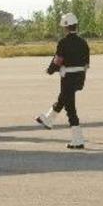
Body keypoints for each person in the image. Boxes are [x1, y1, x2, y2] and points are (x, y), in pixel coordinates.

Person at [35, 13, 91, 149]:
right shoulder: (83, 42)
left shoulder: (63, 42)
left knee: (70, 108)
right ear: (76, 26)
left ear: (66, 27)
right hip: (79, 78)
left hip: (68, 78)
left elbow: (58, 60)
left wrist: (50, 70)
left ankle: (78, 140)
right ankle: (48, 119)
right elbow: (86, 64)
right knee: (63, 99)